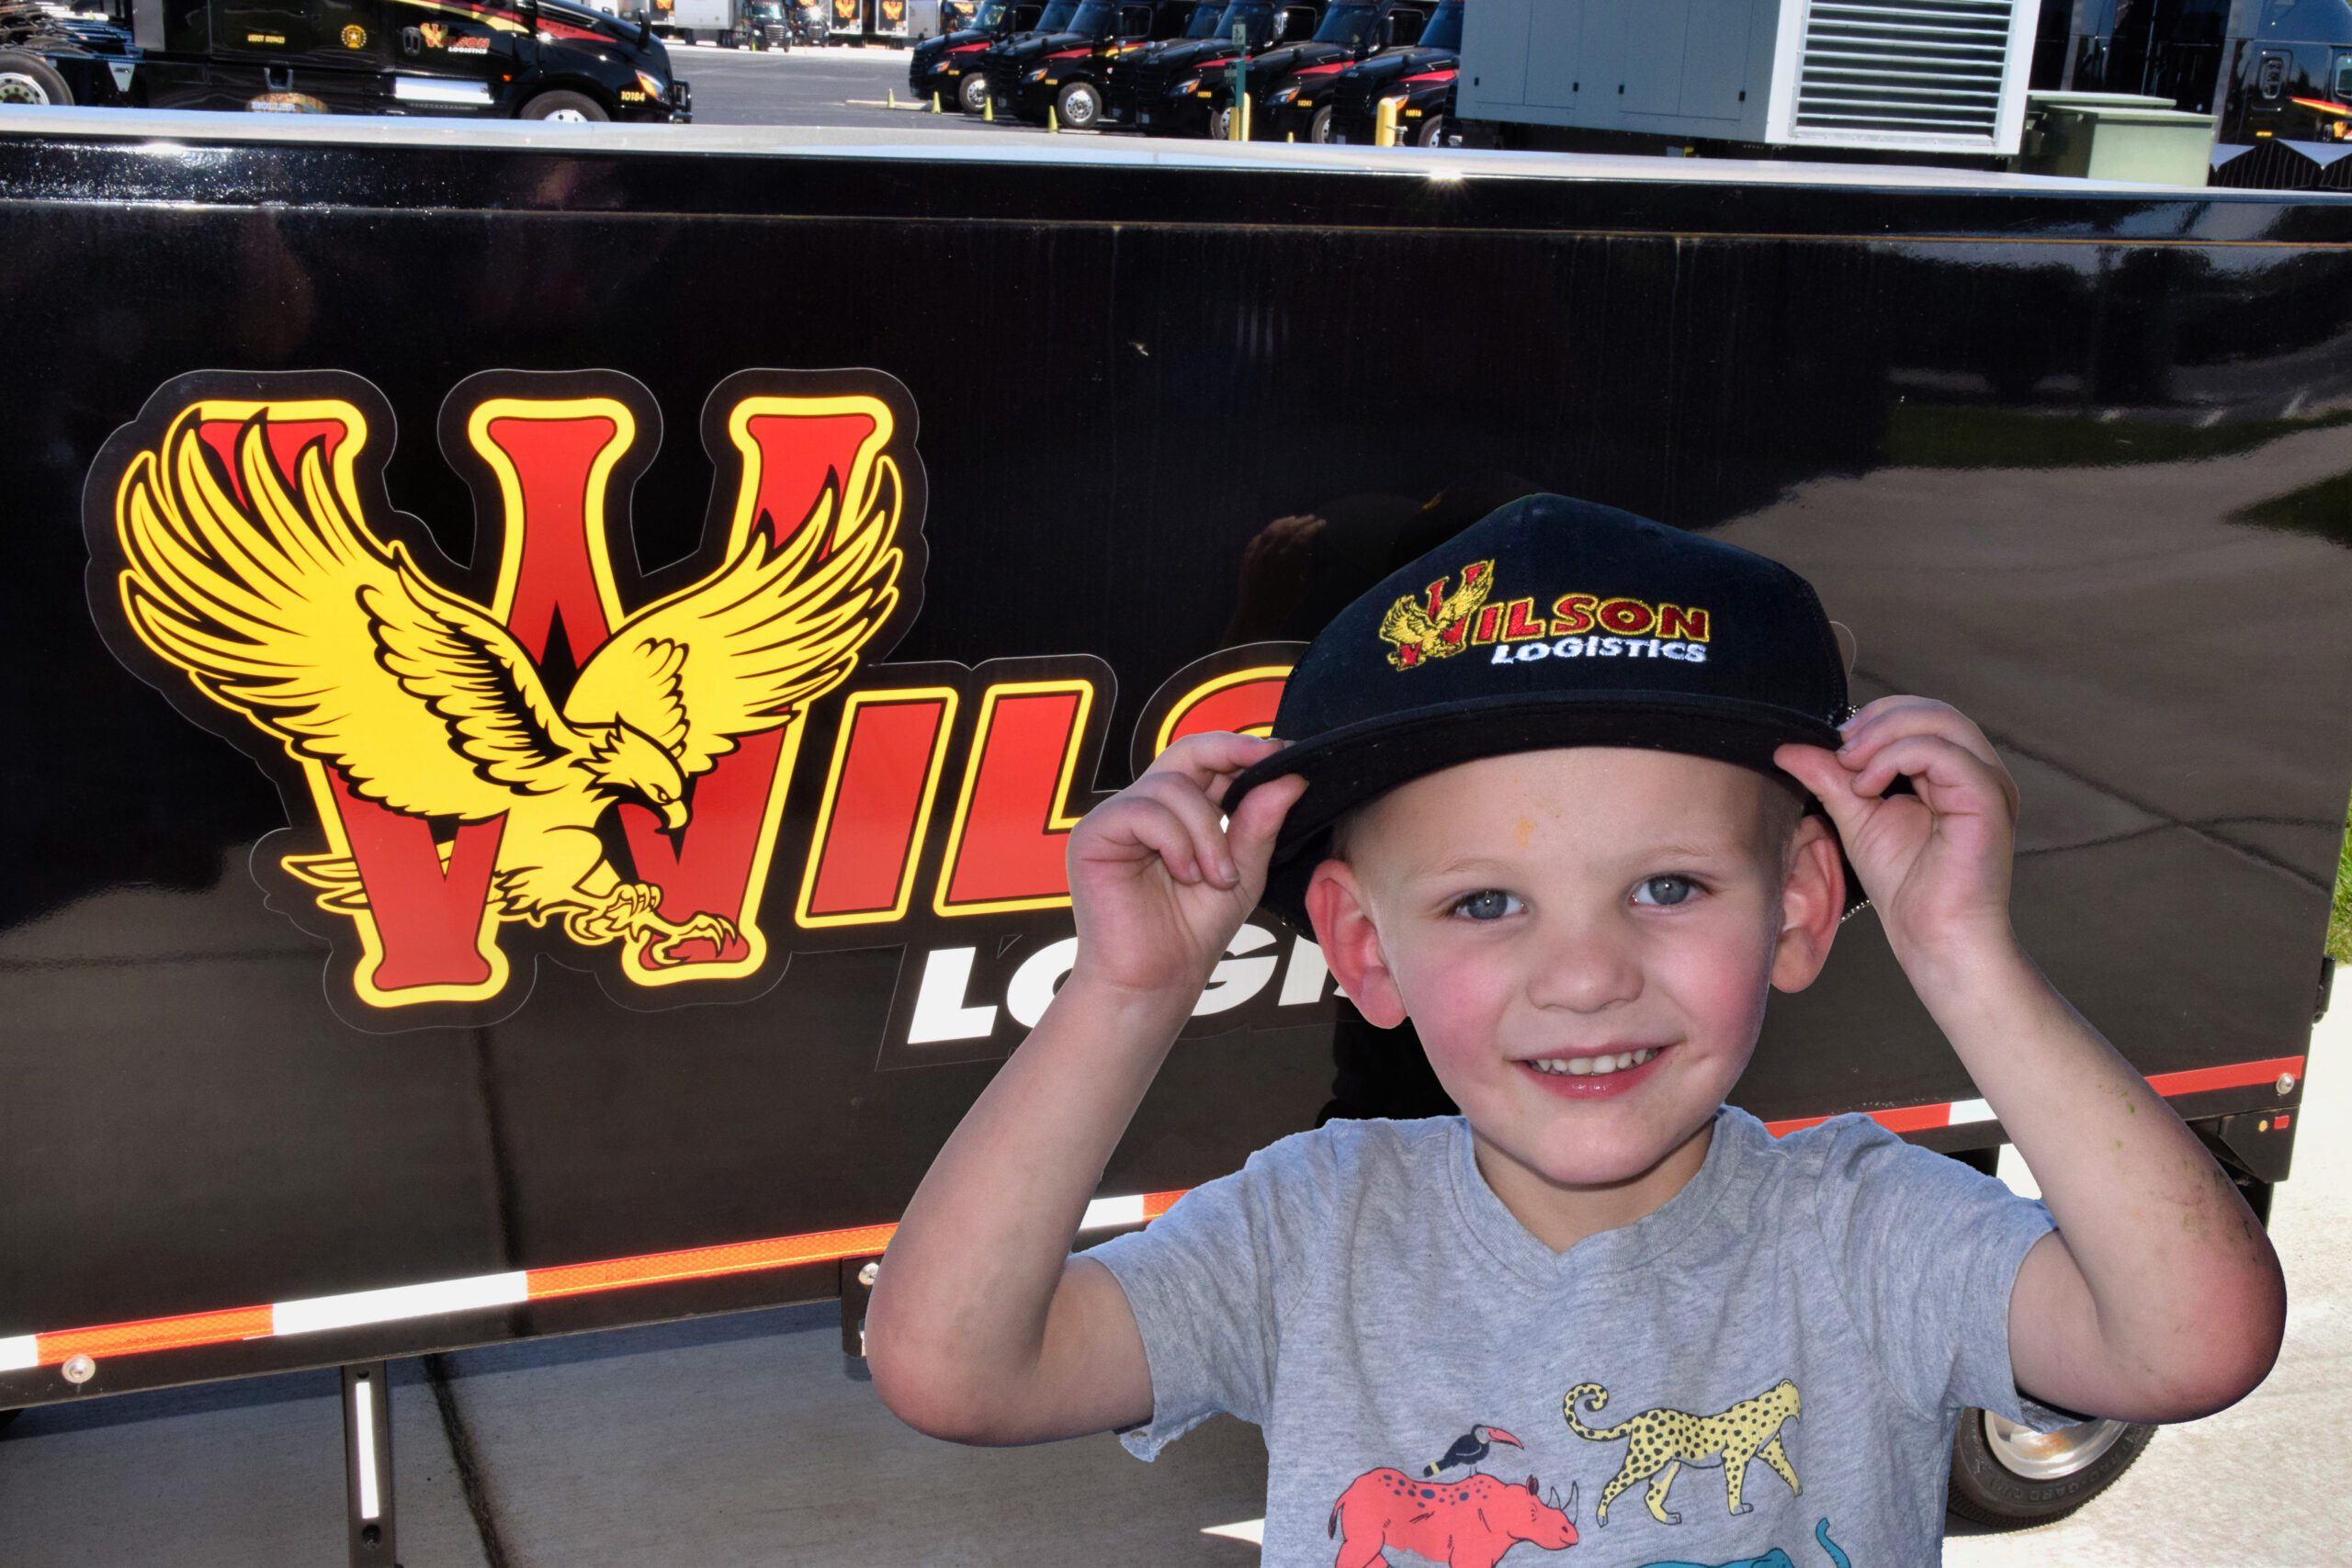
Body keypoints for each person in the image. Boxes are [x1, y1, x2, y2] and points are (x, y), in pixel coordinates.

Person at [865, 493, 2287, 1565]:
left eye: (1668, 886)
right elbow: (952, 1367)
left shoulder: (1869, 1235)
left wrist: (1964, 953)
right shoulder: (1311, 1235)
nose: (1588, 973)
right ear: (1367, 949)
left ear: (1797, 909)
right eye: (1488, 903)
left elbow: (2196, 1342)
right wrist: (1124, 997)